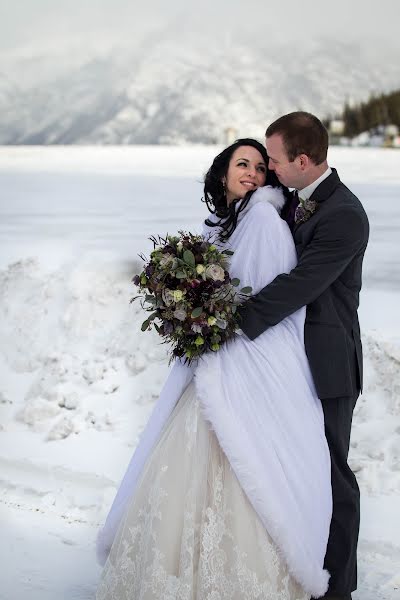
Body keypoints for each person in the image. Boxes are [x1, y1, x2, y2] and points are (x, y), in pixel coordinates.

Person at [96, 138, 332, 600]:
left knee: (240, 460)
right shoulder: (222, 226)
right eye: (242, 163)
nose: (252, 172)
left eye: (262, 167)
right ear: (222, 172)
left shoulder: (263, 220)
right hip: (214, 355)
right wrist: (183, 310)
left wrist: (212, 317)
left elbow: (267, 296)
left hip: (248, 358)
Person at [238, 114, 370, 600]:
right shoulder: (293, 198)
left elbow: (301, 284)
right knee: (295, 471)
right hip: (291, 362)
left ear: (302, 160)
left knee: (333, 476)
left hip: (327, 364)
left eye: (273, 159)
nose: (268, 167)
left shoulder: (344, 215)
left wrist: (235, 319)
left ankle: (338, 591)